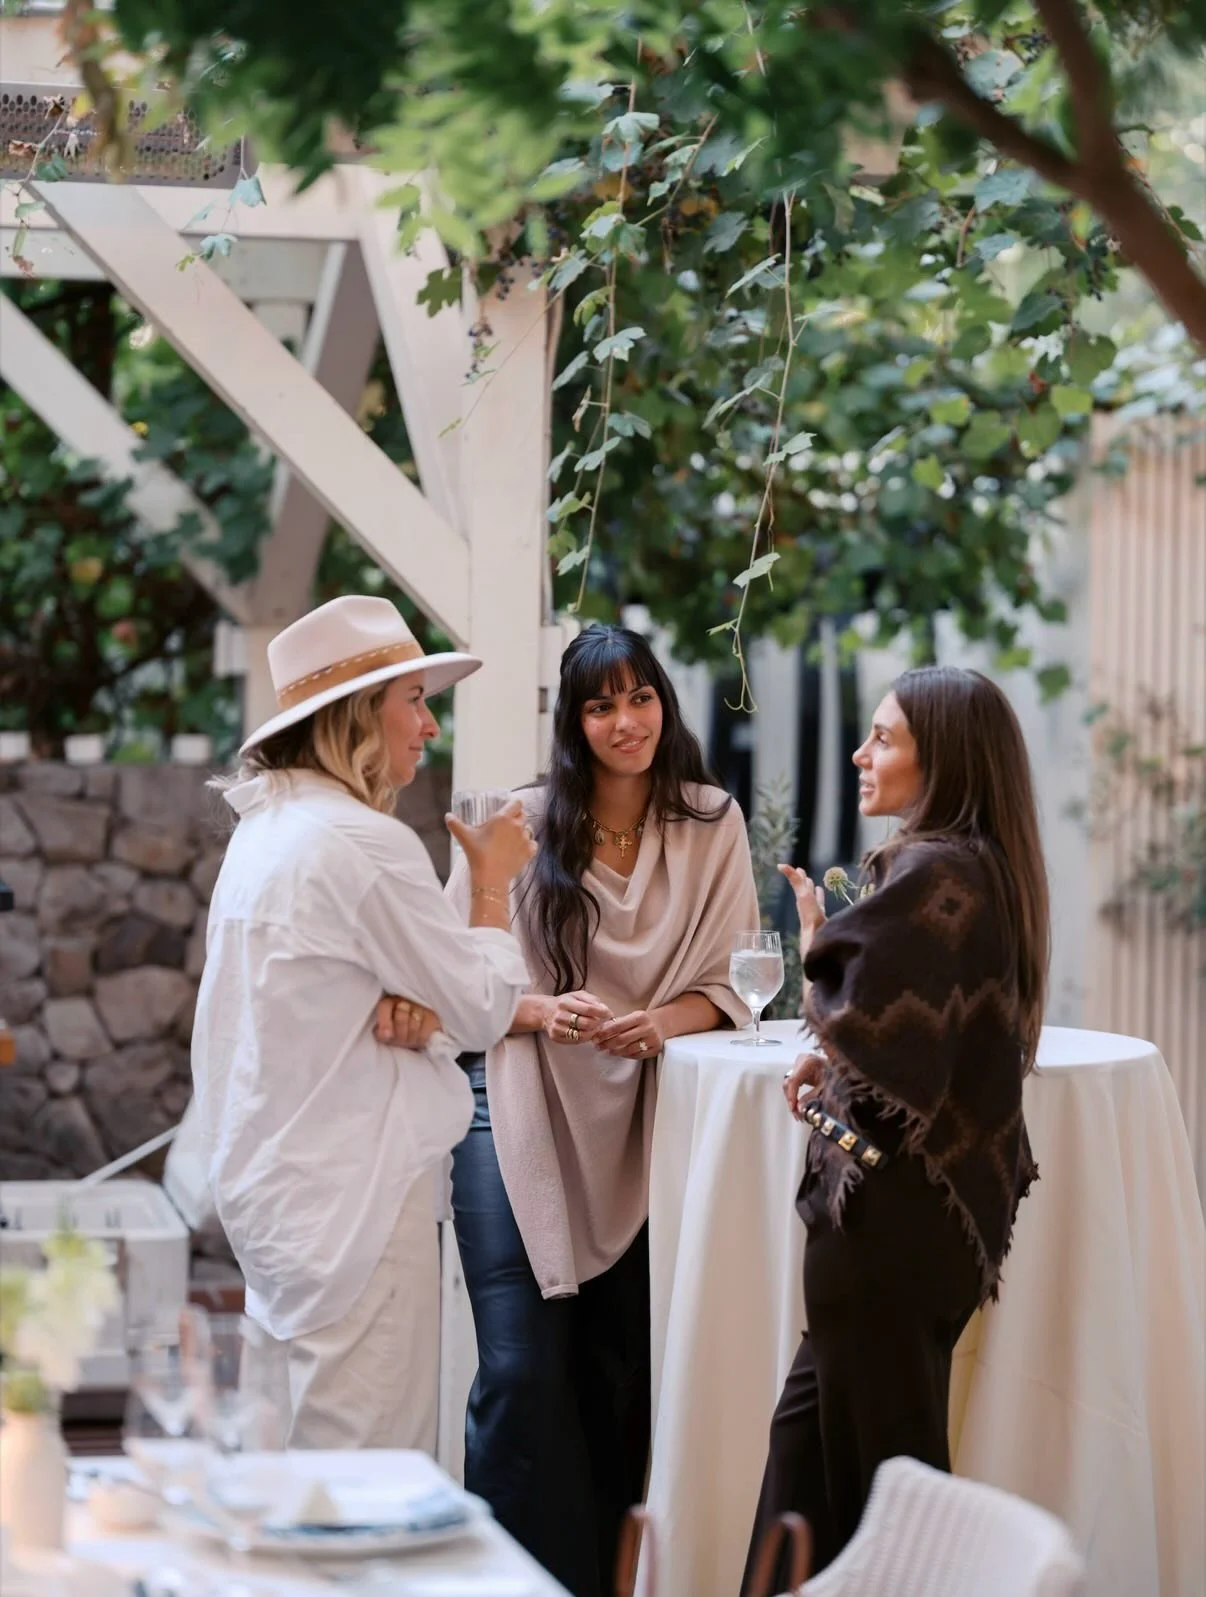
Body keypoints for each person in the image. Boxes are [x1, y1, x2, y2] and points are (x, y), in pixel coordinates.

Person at [398, 624, 760, 1596]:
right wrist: (539, 1008)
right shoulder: (520, 820)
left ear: (664, 704)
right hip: (514, 1099)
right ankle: (505, 1583)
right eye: (600, 704)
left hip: (647, 1119)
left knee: (619, 1386)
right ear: (575, 719)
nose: (623, 721)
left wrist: (658, 1024)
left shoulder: (711, 822)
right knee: (520, 1375)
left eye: (639, 698)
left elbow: (730, 978)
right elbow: (448, 980)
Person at [191, 595, 535, 1452]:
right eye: (413, 700)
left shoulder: (264, 832)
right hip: (359, 1214)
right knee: (367, 1505)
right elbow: (483, 1004)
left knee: (297, 1483)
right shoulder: (361, 842)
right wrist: (491, 882)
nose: (428, 725)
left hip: (280, 1209)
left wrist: (417, 1011)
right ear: (358, 713)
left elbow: (371, 1001)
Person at [743, 665, 1048, 1581]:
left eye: (883, 737)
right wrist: (837, 1054)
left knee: (887, 1518)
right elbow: (927, 1040)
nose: (859, 752)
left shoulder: (932, 870)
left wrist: (814, 957)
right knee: (804, 1483)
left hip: (887, 1228)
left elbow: (855, 983)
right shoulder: (986, 869)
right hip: (922, 1226)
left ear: (940, 759)